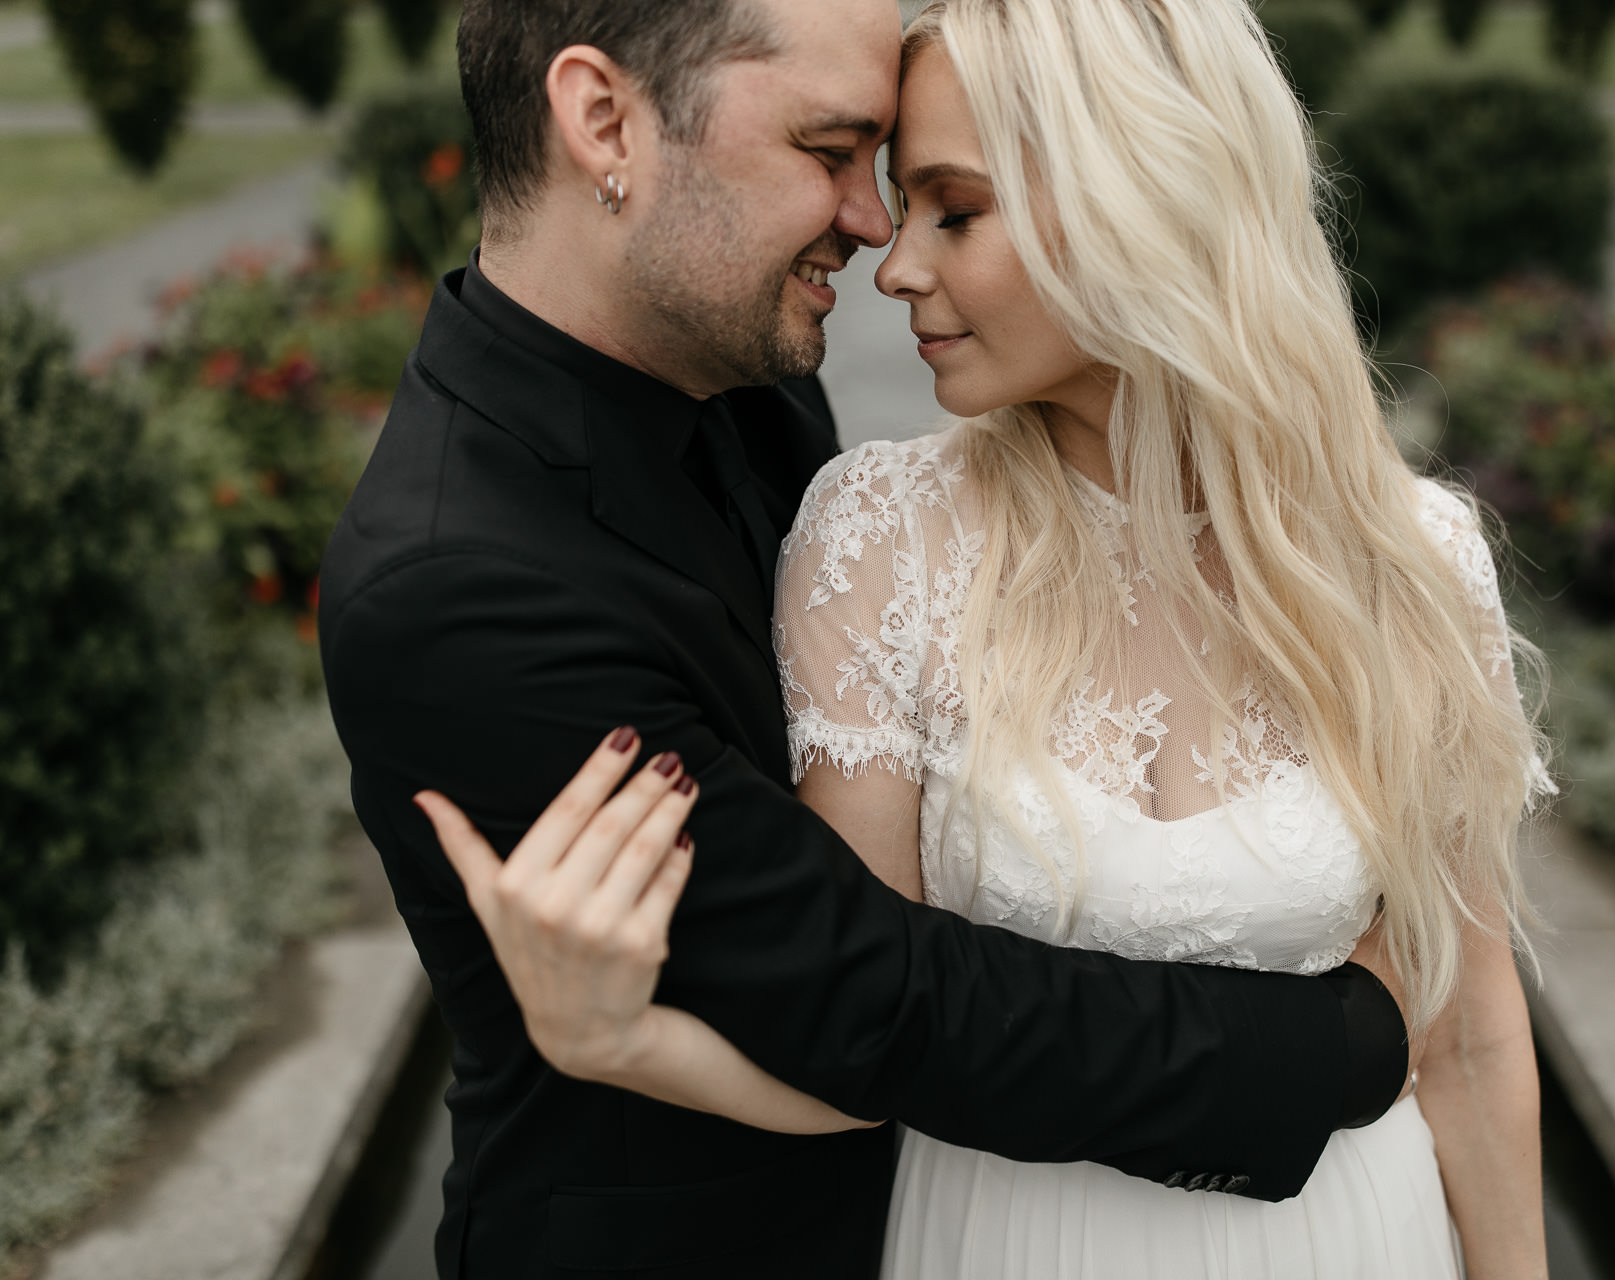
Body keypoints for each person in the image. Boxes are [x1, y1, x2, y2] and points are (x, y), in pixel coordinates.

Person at [415, 0, 1553, 1276]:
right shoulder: (877, 539)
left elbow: (1468, 1033)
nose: (892, 265)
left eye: (952, 211)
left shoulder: (1416, 560)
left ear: (1145, 198)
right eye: (896, 203)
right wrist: (623, 1043)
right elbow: (865, 1035)